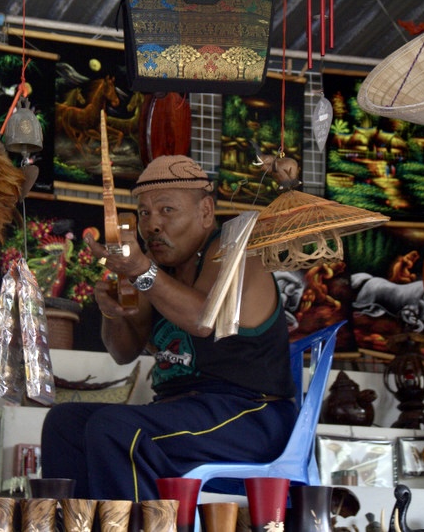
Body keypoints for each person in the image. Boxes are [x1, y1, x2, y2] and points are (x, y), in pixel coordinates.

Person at [40, 154, 296, 501]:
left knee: (114, 430)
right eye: (144, 213)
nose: (152, 225)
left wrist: (143, 270)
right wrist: (113, 311)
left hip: (250, 415)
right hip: (180, 412)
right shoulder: (159, 268)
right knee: (64, 424)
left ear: (205, 212)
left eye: (166, 210)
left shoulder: (235, 248)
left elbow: (202, 319)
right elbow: (123, 352)